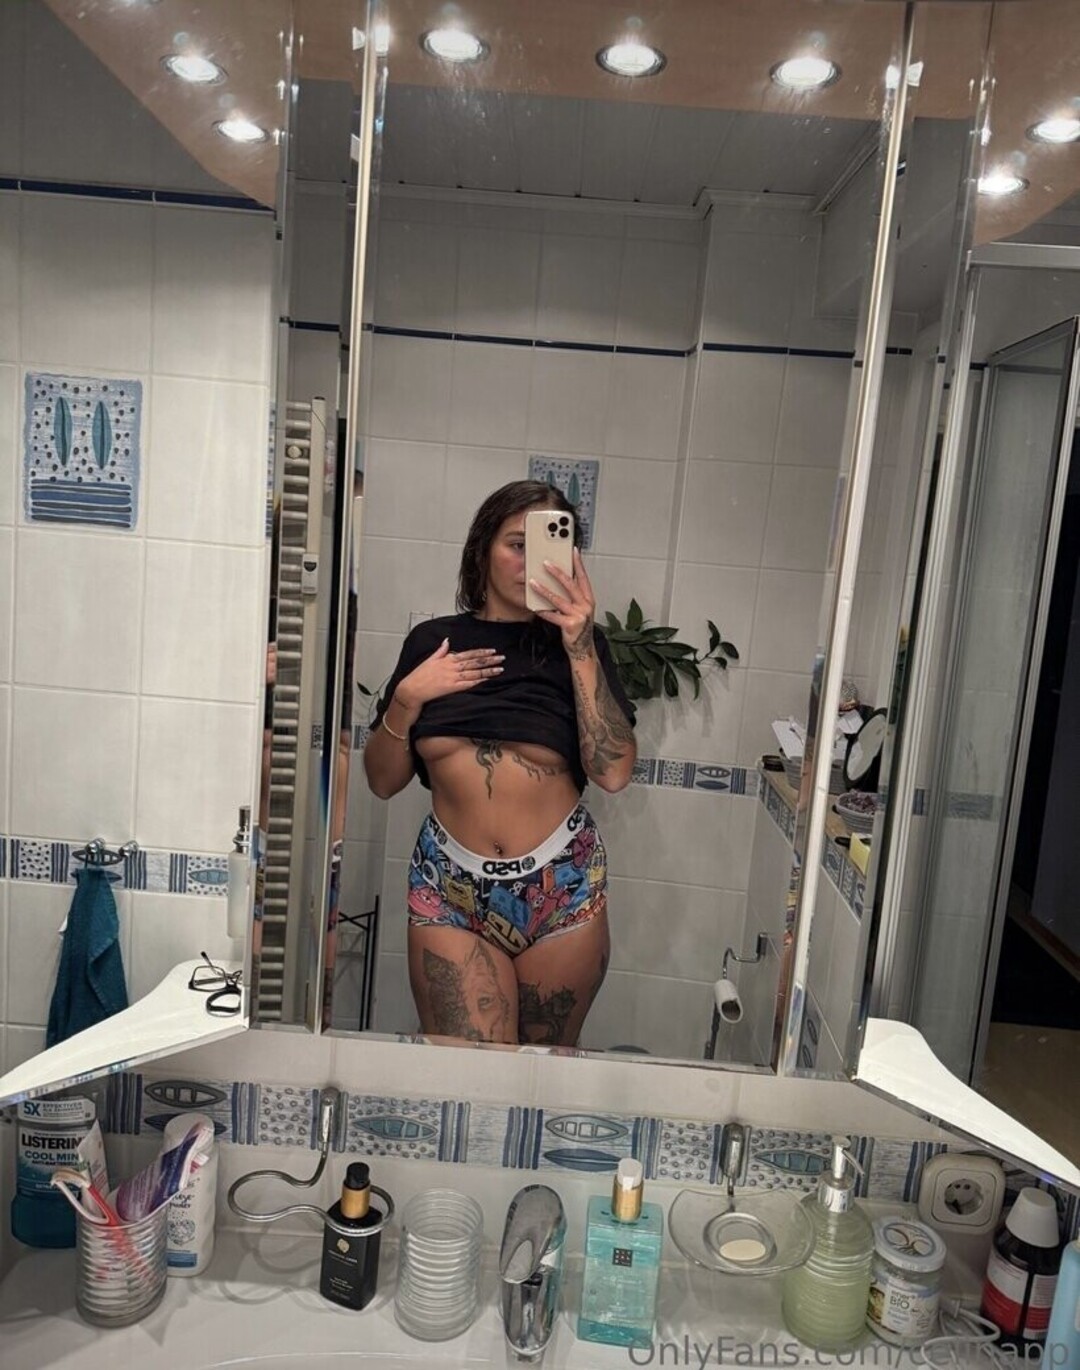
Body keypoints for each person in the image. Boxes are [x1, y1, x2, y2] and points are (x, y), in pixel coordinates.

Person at [363, 480, 637, 1046]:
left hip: (560, 886)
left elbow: (613, 773)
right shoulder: (432, 643)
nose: (531, 563)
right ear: (482, 549)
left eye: (548, 547)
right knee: (465, 1074)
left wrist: (580, 644)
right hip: (449, 885)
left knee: (539, 1073)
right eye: (517, 545)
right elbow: (382, 781)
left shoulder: (583, 649)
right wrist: (407, 699)